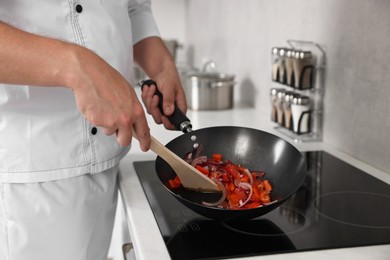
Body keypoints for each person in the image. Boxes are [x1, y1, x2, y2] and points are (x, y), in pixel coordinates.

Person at [0, 1, 187, 259]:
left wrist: (162, 66)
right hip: (32, 180)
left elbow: (134, 7)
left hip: (108, 162)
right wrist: (78, 67)